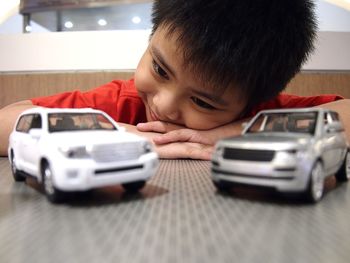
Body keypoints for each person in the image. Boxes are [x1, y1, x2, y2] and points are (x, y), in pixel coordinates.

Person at [0, 0, 349, 159]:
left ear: (249, 103)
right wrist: (106, 133)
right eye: (160, 70)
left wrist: (241, 134)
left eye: (202, 101)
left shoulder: (262, 113)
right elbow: (5, 122)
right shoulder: (120, 105)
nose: (163, 105)